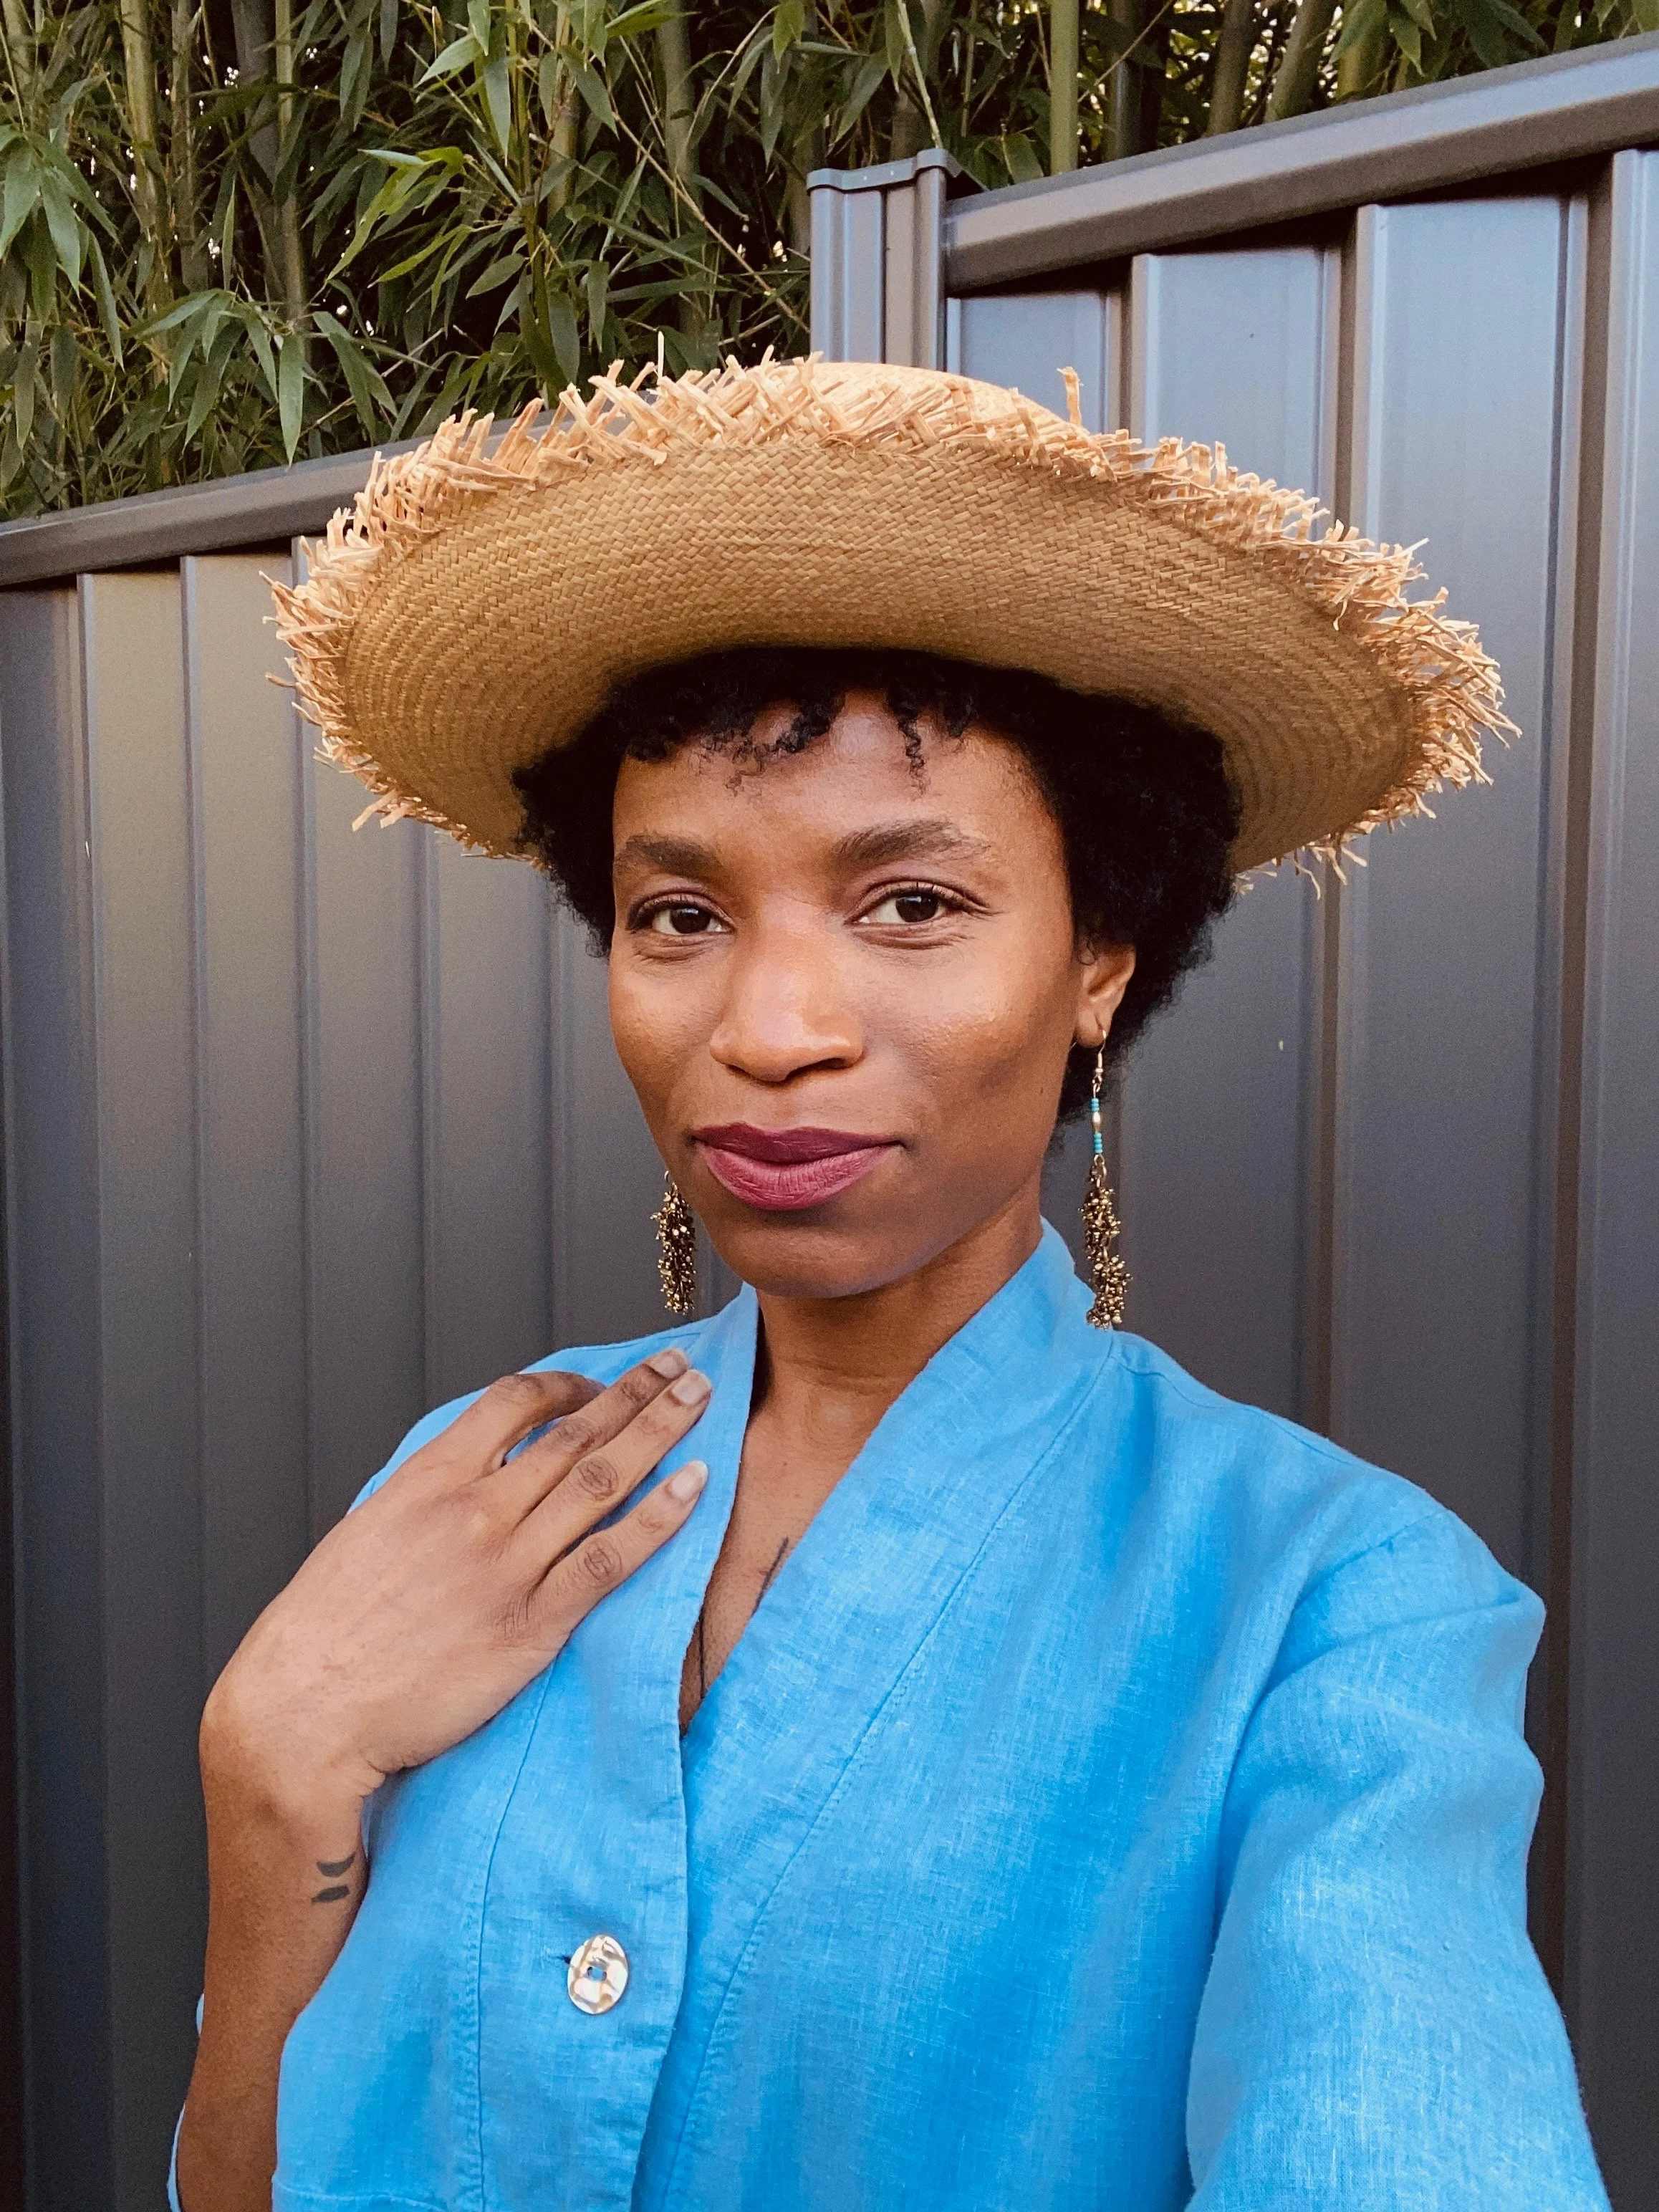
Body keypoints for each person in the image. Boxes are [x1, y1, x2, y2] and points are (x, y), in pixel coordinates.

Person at [175, 358, 1608, 2211]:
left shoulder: (1328, 1608)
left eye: (909, 904)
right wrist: (266, 1780)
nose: (769, 1031)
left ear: (1101, 955)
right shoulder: (474, 1477)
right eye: (678, 916)